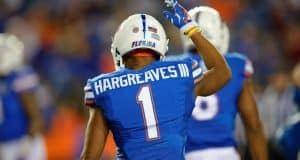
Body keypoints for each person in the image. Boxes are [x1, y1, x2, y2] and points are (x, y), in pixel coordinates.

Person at [80, 1, 231, 159]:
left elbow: (89, 157)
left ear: (120, 47)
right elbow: (223, 73)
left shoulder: (103, 88)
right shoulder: (182, 73)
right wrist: (193, 31)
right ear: (159, 46)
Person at [171, 6, 268, 160]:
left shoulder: (171, 67)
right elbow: (253, 124)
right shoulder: (236, 64)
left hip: (186, 154)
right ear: (220, 32)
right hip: (225, 153)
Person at [0, 33, 45, 160]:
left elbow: (36, 116)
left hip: (23, 143)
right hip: (4, 145)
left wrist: (28, 141)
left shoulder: (20, 76)